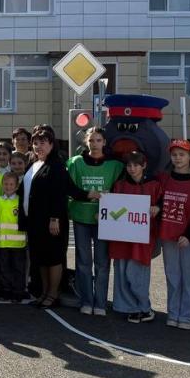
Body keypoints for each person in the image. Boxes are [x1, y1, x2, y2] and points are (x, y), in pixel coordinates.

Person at [67, 127, 123, 316]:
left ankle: (100, 302)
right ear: (86, 142)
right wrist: (88, 194)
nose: (95, 144)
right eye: (91, 140)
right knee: (83, 261)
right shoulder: (75, 163)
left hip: (105, 219)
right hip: (81, 217)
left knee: (102, 262)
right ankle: (86, 300)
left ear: (104, 142)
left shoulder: (115, 166)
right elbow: (69, 189)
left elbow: (122, 190)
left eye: (98, 140)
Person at [108, 152, 162, 323]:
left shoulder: (154, 184)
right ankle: (128, 307)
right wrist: (104, 215)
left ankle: (144, 307)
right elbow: (111, 208)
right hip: (121, 237)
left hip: (142, 237)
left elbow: (162, 203)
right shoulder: (119, 185)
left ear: (144, 165)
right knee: (122, 272)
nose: (132, 169)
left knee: (137, 273)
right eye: (129, 165)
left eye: (136, 165)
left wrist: (157, 208)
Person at [19, 126, 69, 309]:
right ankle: (44, 292)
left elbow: (59, 193)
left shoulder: (56, 165)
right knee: (40, 258)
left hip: (51, 222)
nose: (38, 146)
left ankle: (53, 294)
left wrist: (55, 218)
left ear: (51, 144)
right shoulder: (34, 163)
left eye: (43, 142)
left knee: (53, 258)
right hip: (35, 221)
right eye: (35, 142)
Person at [158, 140, 190, 330]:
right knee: (173, 275)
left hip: (189, 238)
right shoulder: (164, 178)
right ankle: (173, 312)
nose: (178, 158)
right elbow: (159, 202)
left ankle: (187, 316)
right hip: (168, 235)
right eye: (174, 155)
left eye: (182, 154)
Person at [0, 172, 27, 301]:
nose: (8, 187)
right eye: (6, 184)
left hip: (18, 243)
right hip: (2, 242)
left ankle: (18, 291)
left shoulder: (20, 201)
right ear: (2, 185)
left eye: (11, 184)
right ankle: (5, 290)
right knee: (4, 268)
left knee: (18, 269)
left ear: (16, 186)